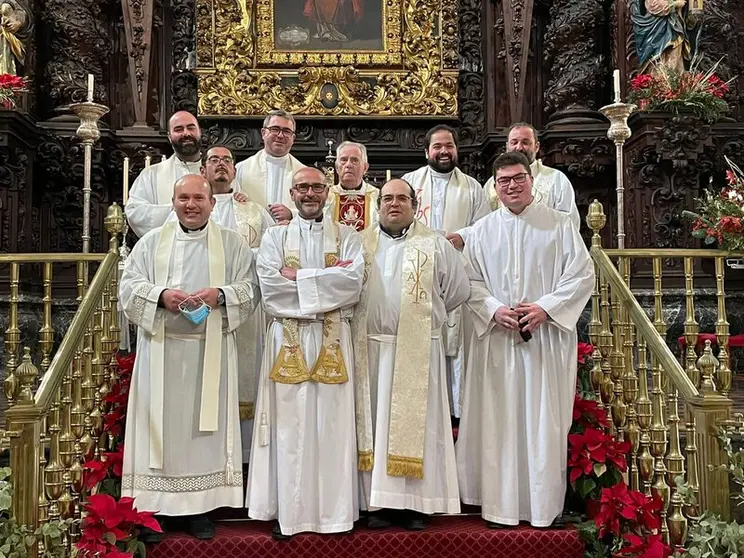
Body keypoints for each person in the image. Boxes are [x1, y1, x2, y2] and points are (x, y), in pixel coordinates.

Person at [456, 151, 594, 529]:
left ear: (531, 180)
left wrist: (545, 308)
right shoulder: (481, 231)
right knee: (497, 419)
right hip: (497, 341)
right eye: (504, 181)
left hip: (544, 341)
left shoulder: (560, 226)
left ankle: (540, 507)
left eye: (518, 178)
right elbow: (468, 281)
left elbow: (581, 275)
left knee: (541, 420)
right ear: (494, 187)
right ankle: (498, 506)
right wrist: (493, 309)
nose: (512, 186)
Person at [119, 174, 261, 539]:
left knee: (204, 433)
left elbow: (250, 288)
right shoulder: (150, 243)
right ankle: (157, 508)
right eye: (183, 198)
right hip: (161, 354)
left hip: (209, 354)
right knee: (160, 432)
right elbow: (129, 286)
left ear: (213, 203)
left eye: (199, 197)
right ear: (173, 202)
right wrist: (161, 295)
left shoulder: (232, 245)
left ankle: (201, 508)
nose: (191, 205)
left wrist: (221, 294)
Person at [246, 166, 364, 540]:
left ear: (327, 192)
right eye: (302, 188)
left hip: (333, 341)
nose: (310, 194)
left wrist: (296, 276)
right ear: (292, 193)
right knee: (290, 426)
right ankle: (290, 514)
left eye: (316, 187)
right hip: (289, 340)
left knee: (333, 425)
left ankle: (336, 514)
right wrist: (324, 286)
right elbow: (271, 292)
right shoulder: (274, 237)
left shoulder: (348, 236)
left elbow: (353, 287)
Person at [353, 178, 470, 530]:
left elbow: (458, 290)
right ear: (378, 206)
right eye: (386, 198)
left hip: (418, 349)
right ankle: (376, 503)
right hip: (372, 348)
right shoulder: (360, 244)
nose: (393, 204)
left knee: (422, 427)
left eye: (401, 199)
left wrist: (423, 319)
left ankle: (417, 504)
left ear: (414, 205)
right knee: (374, 426)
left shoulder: (434, 244)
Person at [402, 124, 489, 421]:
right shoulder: (410, 182)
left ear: (456, 150)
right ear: (427, 151)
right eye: (437, 146)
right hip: (418, 275)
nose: (443, 151)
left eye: (449, 146)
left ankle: (456, 413)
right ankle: (424, 409)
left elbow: (483, 227)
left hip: (458, 273)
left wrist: (463, 235)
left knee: (458, 343)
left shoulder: (473, 187)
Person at [200, 145, 274, 464]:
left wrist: (244, 259)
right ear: (203, 170)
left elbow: (272, 253)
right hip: (206, 304)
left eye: (227, 161)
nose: (221, 165)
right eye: (214, 160)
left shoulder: (254, 211)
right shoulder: (197, 207)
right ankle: (211, 456)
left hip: (245, 305)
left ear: (235, 171)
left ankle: (246, 457)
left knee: (248, 372)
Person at [477, 122, 580, 231]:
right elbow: (484, 223)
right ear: (507, 146)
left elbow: (569, 222)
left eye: (525, 142)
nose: (519, 147)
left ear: (536, 147)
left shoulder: (556, 179)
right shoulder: (492, 183)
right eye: (514, 142)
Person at [125, 111, 205, 237]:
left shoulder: (217, 173)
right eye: (178, 129)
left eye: (191, 127)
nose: (186, 133)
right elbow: (135, 212)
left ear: (200, 132)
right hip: (166, 249)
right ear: (169, 136)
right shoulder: (150, 175)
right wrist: (177, 211)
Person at [235, 109, 305, 223]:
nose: (280, 135)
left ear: (293, 139)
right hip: (254, 236)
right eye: (275, 129)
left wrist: (292, 214)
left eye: (286, 131)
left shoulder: (303, 172)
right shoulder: (241, 169)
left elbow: (316, 210)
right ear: (263, 133)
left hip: (290, 234)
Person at [326, 141, 379, 231]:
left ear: (365, 168)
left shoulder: (377, 196)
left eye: (354, 160)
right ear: (337, 168)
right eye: (343, 160)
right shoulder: (326, 197)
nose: (348, 165)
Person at [631, 0, 690, 74]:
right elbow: (652, 5)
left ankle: (673, 79)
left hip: (673, 26)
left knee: (674, 55)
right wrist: (674, 4)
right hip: (656, 29)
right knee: (656, 61)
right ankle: (658, 81)